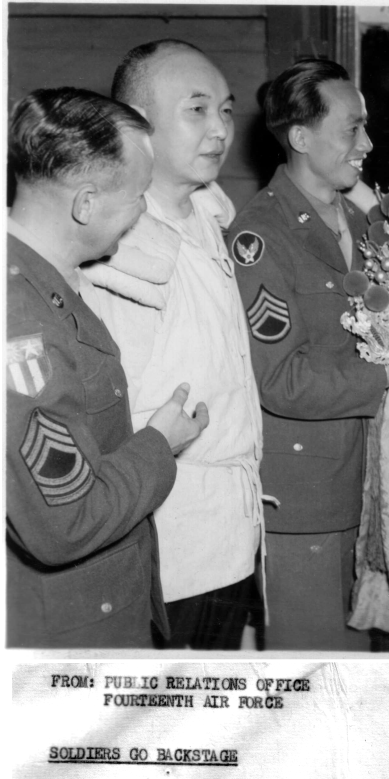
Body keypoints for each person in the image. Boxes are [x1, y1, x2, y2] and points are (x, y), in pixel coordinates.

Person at [229, 58, 389, 651]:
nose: (367, 143)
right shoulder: (260, 237)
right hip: (306, 495)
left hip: (372, 482)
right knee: (313, 665)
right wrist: (388, 373)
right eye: (351, 129)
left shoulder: (364, 221)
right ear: (299, 137)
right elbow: (281, 379)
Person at [6, 87, 208, 649]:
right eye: (139, 194)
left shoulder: (43, 277)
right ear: (86, 204)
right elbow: (65, 525)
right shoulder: (23, 326)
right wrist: (158, 443)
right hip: (73, 633)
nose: (144, 210)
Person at [83, 40, 264, 650]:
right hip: (171, 539)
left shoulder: (212, 213)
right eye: (196, 110)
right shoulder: (120, 249)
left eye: (226, 109)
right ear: (140, 128)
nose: (220, 128)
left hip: (231, 531)